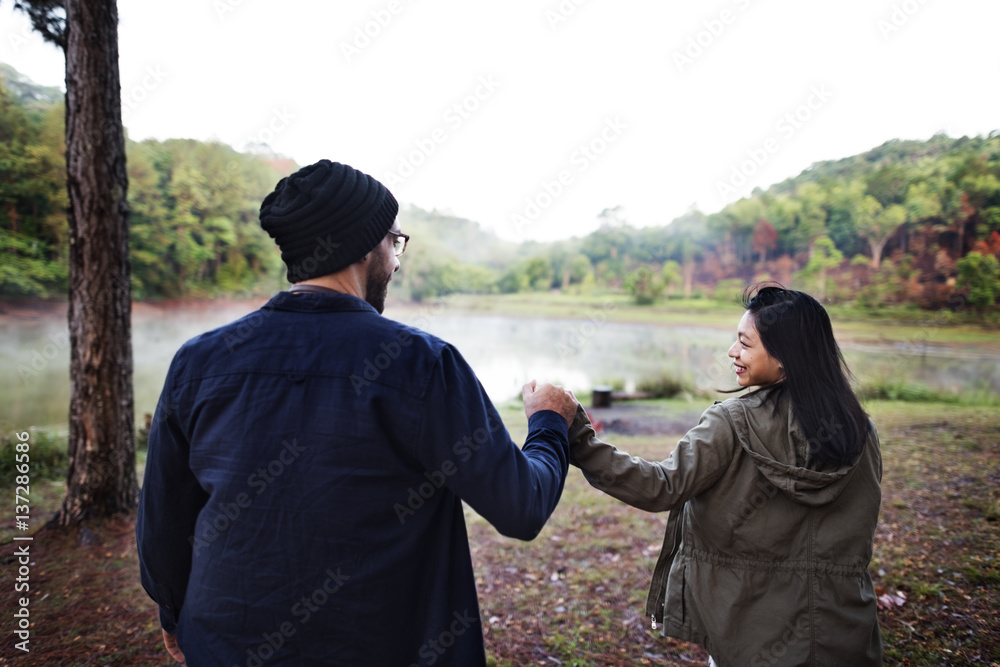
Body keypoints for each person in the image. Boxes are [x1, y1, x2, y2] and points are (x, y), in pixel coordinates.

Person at [136, 159, 578, 666]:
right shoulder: (422, 364)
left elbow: (163, 521)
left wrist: (174, 613)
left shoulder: (199, 360)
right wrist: (548, 421)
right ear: (368, 245)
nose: (397, 260)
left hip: (223, 646)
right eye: (395, 242)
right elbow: (520, 505)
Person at [567, 284, 882, 666]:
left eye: (744, 343)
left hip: (750, 636)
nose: (732, 352)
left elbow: (660, 487)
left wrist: (578, 438)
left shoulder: (731, 422)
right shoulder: (859, 429)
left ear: (786, 356)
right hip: (844, 636)